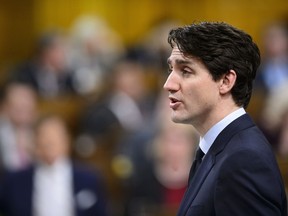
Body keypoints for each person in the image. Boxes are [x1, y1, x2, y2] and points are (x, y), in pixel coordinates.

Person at [163, 21, 287, 216]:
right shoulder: (220, 148)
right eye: (171, 70)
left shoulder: (243, 160)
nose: (168, 84)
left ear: (225, 81)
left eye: (186, 71)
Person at [0, 114, 107, 216]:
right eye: (45, 136)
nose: (50, 141)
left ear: (67, 141)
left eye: (56, 136)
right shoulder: (15, 181)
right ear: (35, 142)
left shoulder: (89, 179)